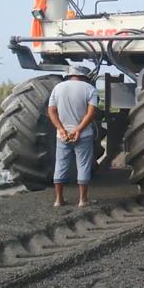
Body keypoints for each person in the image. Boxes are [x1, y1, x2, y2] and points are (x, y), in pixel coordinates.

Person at [47, 66, 98, 207]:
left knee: (61, 165)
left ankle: (58, 200)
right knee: (83, 166)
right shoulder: (89, 89)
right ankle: (83, 200)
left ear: (70, 75)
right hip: (83, 135)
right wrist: (78, 130)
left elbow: (51, 111)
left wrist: (61, 129)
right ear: (84, 76)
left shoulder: (58, 88)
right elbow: (91, 113)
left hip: (62, 136)